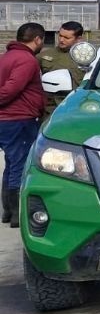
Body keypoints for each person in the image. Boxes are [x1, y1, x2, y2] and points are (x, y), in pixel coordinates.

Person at [0, 23, 46, 226]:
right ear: (37, 39)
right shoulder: (26, 60)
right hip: (19, 119)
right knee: (21, 164)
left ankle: (8, 212)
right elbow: (10, 89)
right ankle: (18, 214)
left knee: (11, 163)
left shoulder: (7, 56)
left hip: (9, 119)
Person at [40, 21, 86, 115]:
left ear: (79, 39)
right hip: (51, 111)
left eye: (67, 38)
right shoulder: (43, 56)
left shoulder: (87, 58)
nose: (61, 40)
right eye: (60, 35)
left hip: (78, 109)